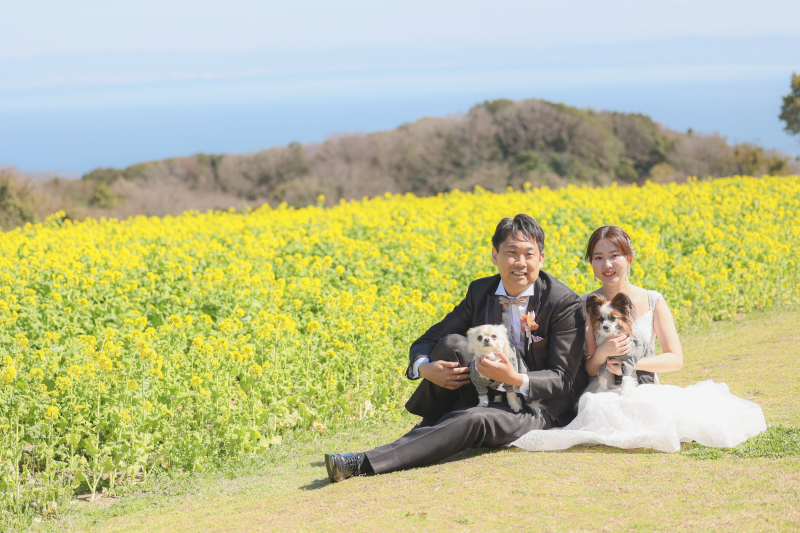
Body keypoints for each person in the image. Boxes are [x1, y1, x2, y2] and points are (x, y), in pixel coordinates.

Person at [324, 214, 588, 482]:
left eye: (529, 255)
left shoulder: (562, 302)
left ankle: (361, 463)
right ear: (495, 255)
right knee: (452, 344)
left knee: (475, 418)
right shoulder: (481, 291)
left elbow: (562, 379)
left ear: (541, 259)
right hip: (488, 388)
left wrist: (513, 378)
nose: (520, 263)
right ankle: (432, 428)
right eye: (511, 253)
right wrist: (425, 368)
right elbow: (429, 339)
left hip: (536, 406)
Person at [512, 226, 766, 453]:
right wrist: (604, 354)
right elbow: (589, 366)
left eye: (614, 256)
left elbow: (675, 360)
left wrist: (632, 364)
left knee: (647, 408)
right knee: (600, 405)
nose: (607, 264)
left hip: (644, 385)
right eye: (598, 258)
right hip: (603, 387)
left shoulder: (653, 299)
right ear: (591, 265)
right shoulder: (585, 304)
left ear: (629, 259)